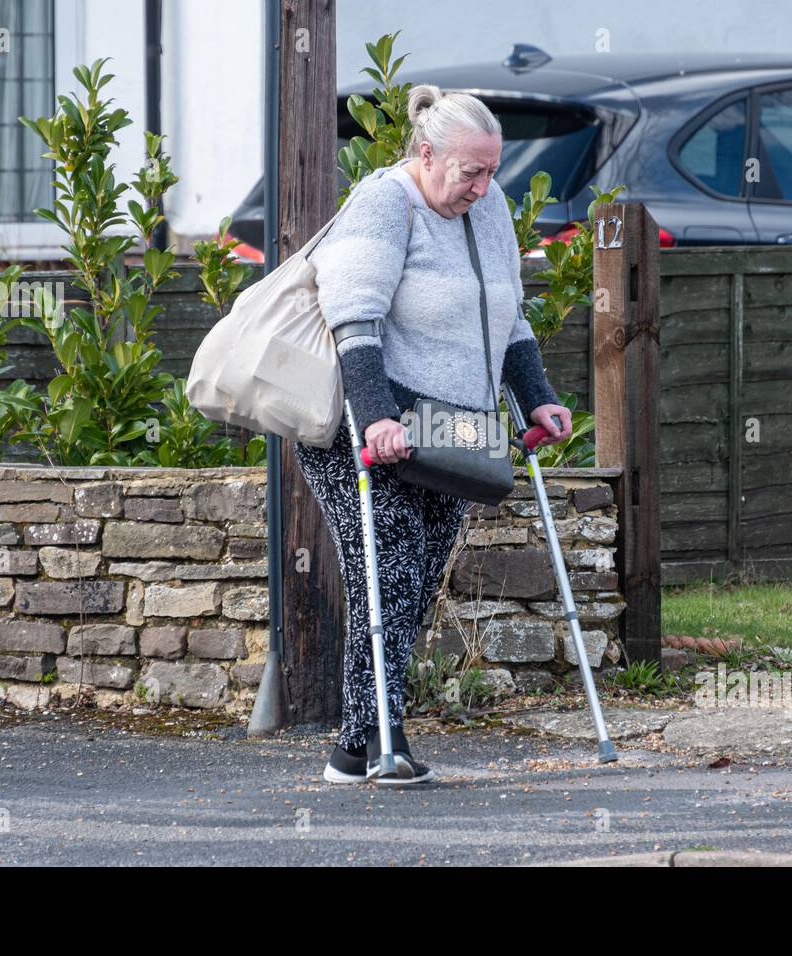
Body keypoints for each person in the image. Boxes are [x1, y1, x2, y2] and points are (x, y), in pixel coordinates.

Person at [294, 83, 571, 786]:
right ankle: (373, 743)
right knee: (387, 576)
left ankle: (360, 745)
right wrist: (378, 414)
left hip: (452, 431)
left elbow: (508, 318)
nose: (483, 185)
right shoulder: (386, 202)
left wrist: (535, 399)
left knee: (410, 588)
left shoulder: (491, 210)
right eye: (470, 171)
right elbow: (353, 314)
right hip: (366, 426)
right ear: (426, 154)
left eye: (491, 169)